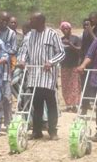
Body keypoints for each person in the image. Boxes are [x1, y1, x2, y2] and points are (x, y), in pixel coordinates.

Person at [18, 12, 65, 140]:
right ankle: (37, 131)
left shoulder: (52, 34)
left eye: (32, 20)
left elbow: (61, 53)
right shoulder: (29, 36)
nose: (29, 22)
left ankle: (52, 131)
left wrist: (51, 62)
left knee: (50, 104)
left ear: (40, 21)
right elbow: (23, 51)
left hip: (48, 76)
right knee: (36, 105)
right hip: (34, 75)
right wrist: (22, 60)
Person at [0, 12, 17, 128]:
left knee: (7, 97)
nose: (4, 23)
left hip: (5, 69)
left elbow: (13, 50)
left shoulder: (11, 34)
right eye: (2, 20)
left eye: (6, 20)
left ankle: (8, 123)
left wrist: (2, 51)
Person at [59, 21, 81, 112]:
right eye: (63, 29)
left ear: (70, 29)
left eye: (66, 28)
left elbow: (79, 50)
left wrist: (70, 44)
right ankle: (68, 105)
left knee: (75, 85)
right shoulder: (60, 40)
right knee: (65, 85)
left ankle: (75, 105)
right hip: (64, 65)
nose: (65, 30)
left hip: (74, 65)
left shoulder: (75, 39)